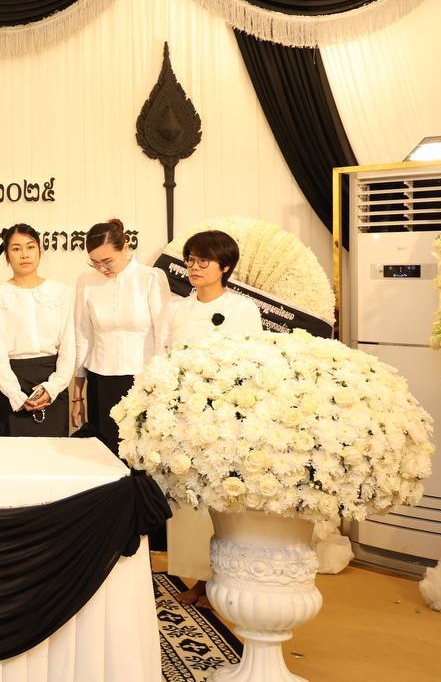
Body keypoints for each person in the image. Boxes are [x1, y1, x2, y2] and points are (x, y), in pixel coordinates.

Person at [162, 229, 262, 606]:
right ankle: (198, 579)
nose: (195, 267)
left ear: (225, 267)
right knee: (189, 498)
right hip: (185, 415)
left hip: (225, 415)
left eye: (204, 261)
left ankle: (228, 576)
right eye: (190, 260)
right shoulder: (178, 309)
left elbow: (251, 362)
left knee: (224, 499)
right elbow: (166, 357)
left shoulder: (242, 309)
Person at [72, 218, 167, 455]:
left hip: (142, 380)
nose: (101, 269)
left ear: (125, 248)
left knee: (140, 453)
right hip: (100, 379)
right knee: (104, 454)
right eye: (95, 262)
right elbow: (82, 335)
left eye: (107, 261)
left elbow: (163, 335)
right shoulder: (86, 281)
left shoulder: (150, 278)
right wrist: (77, 394)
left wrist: (160, 385)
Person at [0, 224, 76, 436]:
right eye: (16, 249)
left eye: (30, 247)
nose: (24, 254)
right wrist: (15, 394)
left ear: (39, 250)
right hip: (12, 384)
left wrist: (53, 387)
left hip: (53, 382)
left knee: (55, 452)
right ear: (7, 256)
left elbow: (69, 345)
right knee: (16, 455)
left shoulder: (60, 292)